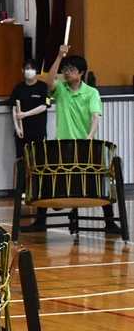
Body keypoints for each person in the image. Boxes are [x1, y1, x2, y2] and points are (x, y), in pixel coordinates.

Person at [43, 45, 122, 234]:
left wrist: (90, 136)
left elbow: (96, 117)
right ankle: (41, 219)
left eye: (71, 69)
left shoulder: (91, 93)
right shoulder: (61, 89)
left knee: (98, 178)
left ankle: (109, 221)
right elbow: (48, 80)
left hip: (85, 143)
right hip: (63, 143)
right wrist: (59, 56)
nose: (66, 72)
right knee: (50, 176)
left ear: (81, 73)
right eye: (65, 69)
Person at [10, 58, 50, 231]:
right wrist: (17, 125)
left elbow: (44, 106)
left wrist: (26, 115)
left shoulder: (42, 88)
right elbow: (13, 108)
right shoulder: (18, 88)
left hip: (38, 131)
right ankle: (23, 190)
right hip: (22, 133)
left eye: (32, 68)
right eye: (26, 68)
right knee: (22, 162)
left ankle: (38, 191)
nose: (29, 71)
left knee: (39, 163)